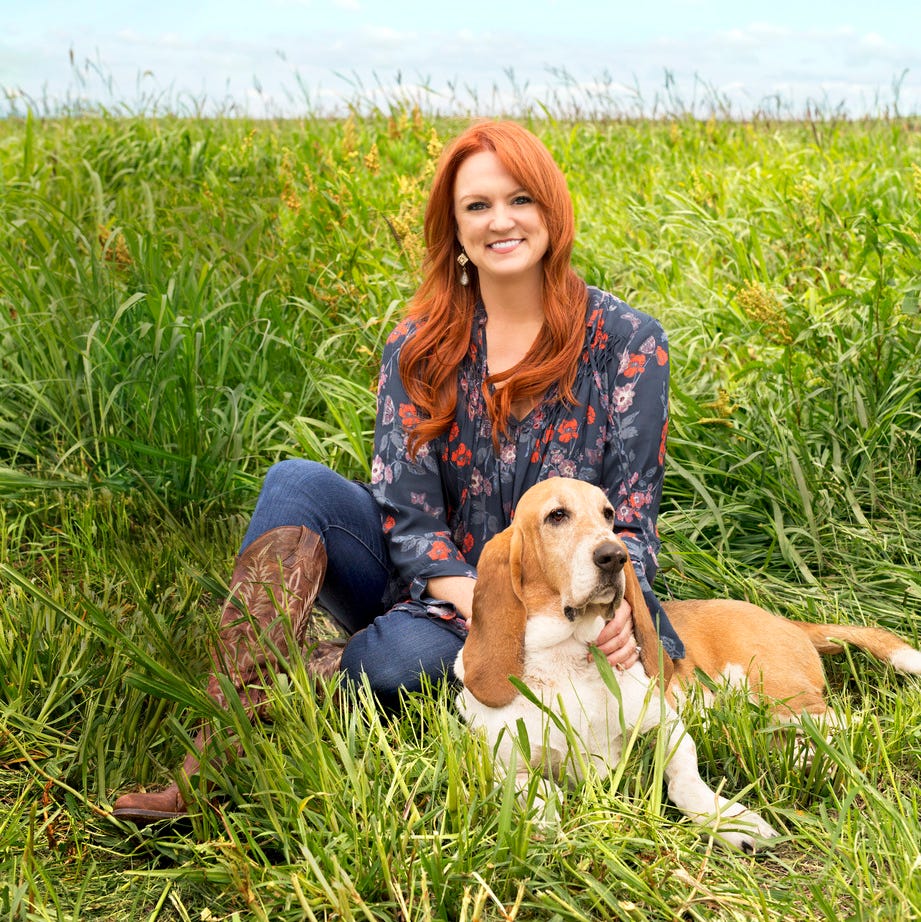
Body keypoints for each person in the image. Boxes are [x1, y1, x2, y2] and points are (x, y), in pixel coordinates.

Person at [112, 120, 684, 824]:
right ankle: (214, 756)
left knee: (389, 668)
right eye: (476, 206)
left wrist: (624, 605)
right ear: (454, 229)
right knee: (295, 482)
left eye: (520, 200)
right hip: (436, 588)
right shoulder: (420, 343)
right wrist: (489, 614)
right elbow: (407, 520)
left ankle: (330, 667)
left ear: (552, 211)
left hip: (562, 603)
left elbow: (632, 517)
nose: (500, 221)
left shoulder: (627, 344)